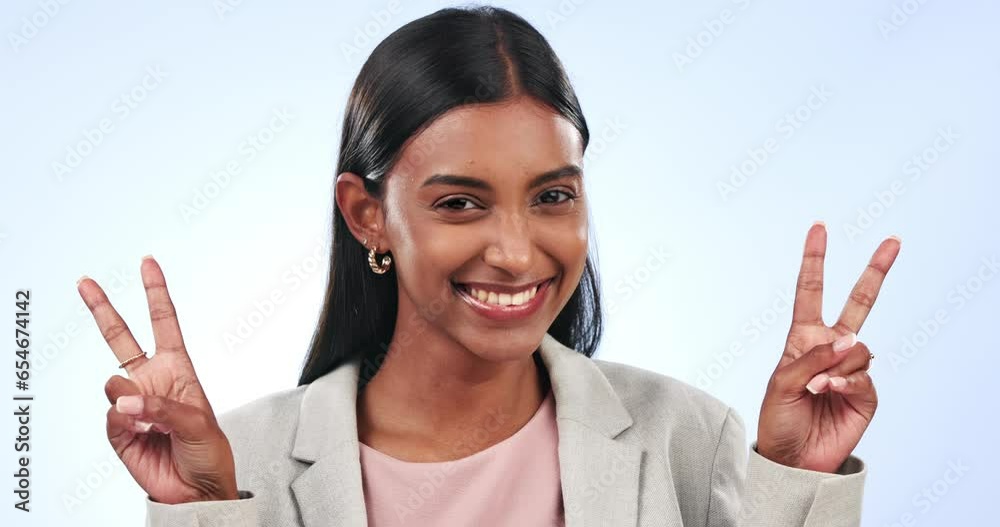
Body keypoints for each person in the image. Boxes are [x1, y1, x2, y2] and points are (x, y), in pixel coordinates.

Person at [76, 6, 900, 526]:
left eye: (550, 197)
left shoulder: (685, 437)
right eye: (460, 203)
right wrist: (200, 512)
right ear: (369, 215)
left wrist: (795, 481)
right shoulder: (242, 464)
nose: (515, 252)